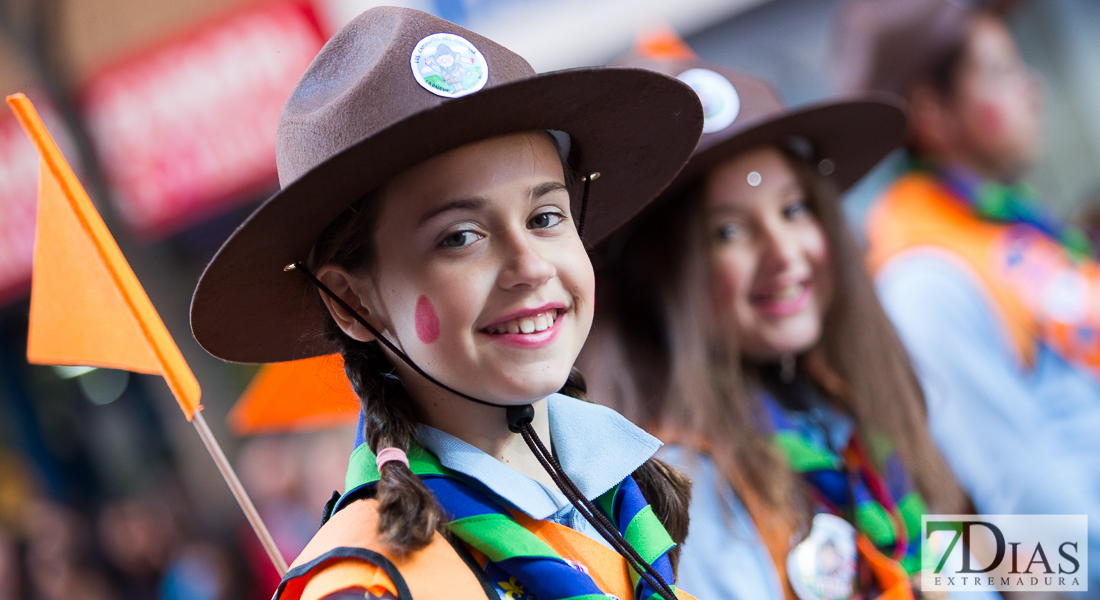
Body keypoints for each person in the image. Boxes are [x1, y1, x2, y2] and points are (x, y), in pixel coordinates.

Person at [189, 7, 705, 600]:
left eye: (545, 217)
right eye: (460, 237)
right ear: (353, 303)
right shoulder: (368, 586)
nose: (531, 266)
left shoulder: (624, 499)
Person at [579, 44, 968, 600]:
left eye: (794, 210)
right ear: (659, 276)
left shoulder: (846, 408)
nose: (785, 252)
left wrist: (1056, 565)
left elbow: (967, 562)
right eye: (730, 232)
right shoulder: (682, 487)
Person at [837, 0, 1100, 589]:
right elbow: (1025, 515)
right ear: (931, 111)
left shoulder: (1004, 225)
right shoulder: (924, 271)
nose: (1032, 86)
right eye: (1002, 71)